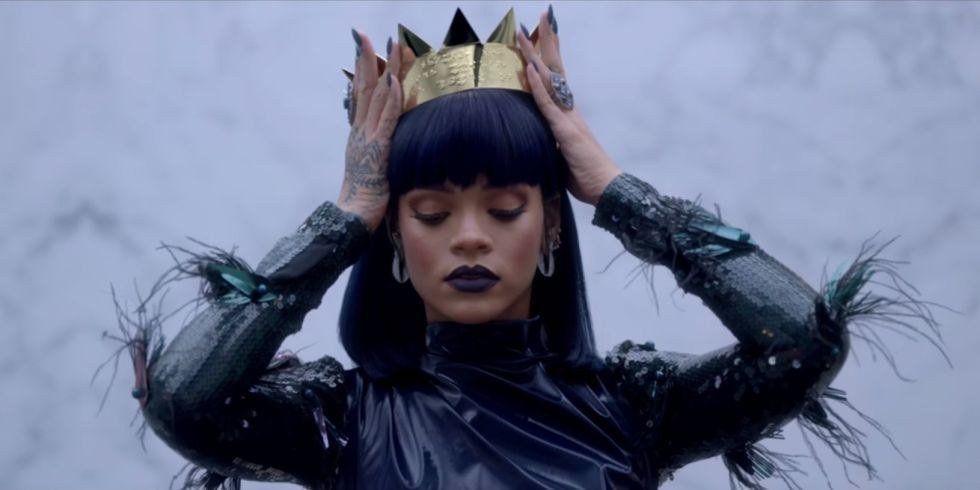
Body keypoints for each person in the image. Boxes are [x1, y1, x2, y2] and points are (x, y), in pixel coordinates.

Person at [110, 7, 941, 490]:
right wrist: (349, 212)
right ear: (396, 238)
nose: (470, 236)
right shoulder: (344, 418)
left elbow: (801, 346)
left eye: (505, 208)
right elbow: (183, 403)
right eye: (431, 214)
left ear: (549, 227)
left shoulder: (630, 405)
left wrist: (611, 184)